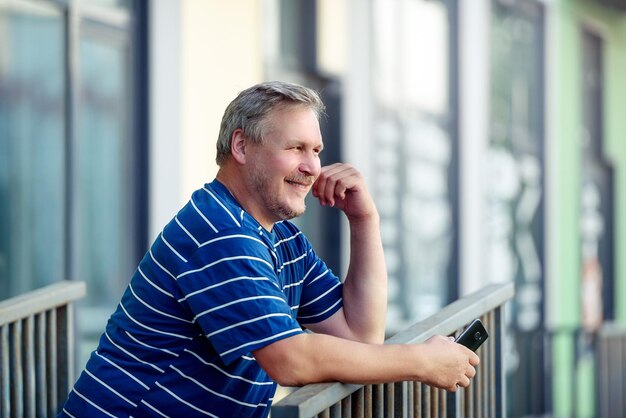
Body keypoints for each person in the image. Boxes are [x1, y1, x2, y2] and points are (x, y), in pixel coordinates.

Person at [58, 81, 479, 418]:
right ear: (241, 147)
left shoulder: (279, 236)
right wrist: (421, 362)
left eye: (316, 151)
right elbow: (291, 361)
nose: (312, 166)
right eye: (295, 148)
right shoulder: (218, 233)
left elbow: (360, 334)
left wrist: (364, 220)